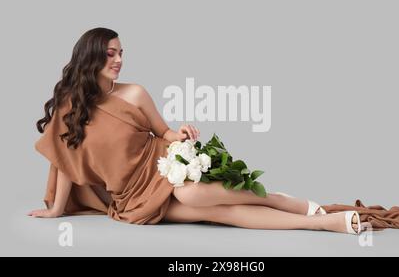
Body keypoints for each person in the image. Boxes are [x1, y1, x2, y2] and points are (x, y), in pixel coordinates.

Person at [29, 27, 366, 234]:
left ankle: (302, 210)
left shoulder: (135, 93)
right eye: (110, 53)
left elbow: (163, 132)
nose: (118, 60)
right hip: (133, 200)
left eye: (121, 53)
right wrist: (57, 210)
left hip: (162, 167)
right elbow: (62, 160)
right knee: (223, 215)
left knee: (189, 193)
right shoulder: (70, 105)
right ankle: (319, 220)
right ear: (90, 57)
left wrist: (182, 133)